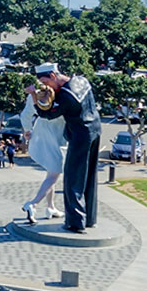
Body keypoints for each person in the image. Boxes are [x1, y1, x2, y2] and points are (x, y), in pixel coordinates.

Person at [32, 63, 101, 232]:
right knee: (89, 176)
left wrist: (34, 96)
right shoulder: (81, 80)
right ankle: (90, 218)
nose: (45, 87)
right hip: (95, 130)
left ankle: (75, 223)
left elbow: (47, 114)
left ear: (53, 76)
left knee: (73, 179)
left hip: (80, 136)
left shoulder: (66, 96)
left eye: (45, 82)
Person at [19, 87, 66, 225]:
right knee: (54, 174)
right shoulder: (62, 95)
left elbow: (25, 115)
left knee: (50, 173)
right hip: (57, 136)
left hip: (41, 132)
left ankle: (51, 207)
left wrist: (27, 129)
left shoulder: (35, 95)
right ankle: (33, 204)